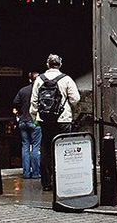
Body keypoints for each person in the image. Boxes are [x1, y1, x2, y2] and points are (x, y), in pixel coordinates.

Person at [30, 54, 80, 192]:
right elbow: (75, 99)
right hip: (63, 119)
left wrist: (35, 117)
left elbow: (34, 101)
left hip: (45, 120)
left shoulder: (39, 79)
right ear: (60, 64)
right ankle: (63, 181)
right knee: (64, 150)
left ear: (47, 64)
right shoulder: (66, 79)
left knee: (46, 150)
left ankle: (46, 182)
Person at [13, 71, 41, 179]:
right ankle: (35, 173)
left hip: (23, 121)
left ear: (30, 79)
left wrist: (20, 112)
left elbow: (16, 102)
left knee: (25, 146)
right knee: (35, 147)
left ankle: (25, 173)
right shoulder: (40, 91)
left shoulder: (23, 90)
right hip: (34, 121)